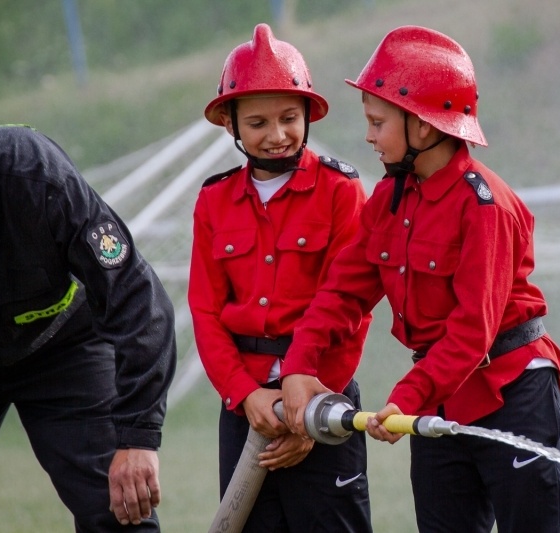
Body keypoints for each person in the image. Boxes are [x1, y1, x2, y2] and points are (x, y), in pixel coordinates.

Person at [280, 25, 560, 533]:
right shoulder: (388, 199)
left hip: (513, 393)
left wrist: (407, 395)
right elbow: (343, 292)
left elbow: (472, 332)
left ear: (421, 126)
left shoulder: (485, 207)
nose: (369, 136)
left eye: (377, 122)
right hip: (441, 395)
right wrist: (299, 364)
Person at [188, 23, 372, 532]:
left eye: (289, 118)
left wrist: (310, 413)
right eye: (257, 122)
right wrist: (245, 394)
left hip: (324, 396)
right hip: (244, 406)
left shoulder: (340, 191)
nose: (276, 135)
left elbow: (351, 308)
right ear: (230, 124)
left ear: (308, 116)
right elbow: (205, 311)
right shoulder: (213, 200)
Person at [0, 125, 177, 531]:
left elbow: (136, 298)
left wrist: (137, 436)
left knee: (120, 510)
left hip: (65, 350)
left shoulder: (36, 174)